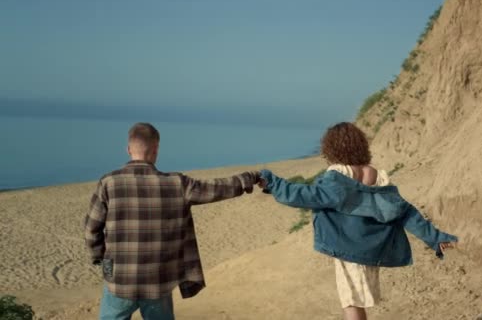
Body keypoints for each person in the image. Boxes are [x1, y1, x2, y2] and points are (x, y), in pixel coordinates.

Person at [259, 122, 458, 320]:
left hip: (349, 249)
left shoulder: (338, 176)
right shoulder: (376, 175)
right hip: (371, 247)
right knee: (356, 301)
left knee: (350, 302)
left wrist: (272, 182)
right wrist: (434, 238)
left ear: (332, 148)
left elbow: (308, 195)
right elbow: (404, 211)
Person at [84, 122, 259, 320]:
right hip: (158, 282)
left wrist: (103, 262)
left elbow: (91, 230)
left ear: (128, 149)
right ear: (156, 150)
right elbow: (218, 188)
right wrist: (250, 178)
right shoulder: (178, 184)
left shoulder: (109, 182)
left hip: (119, 280)